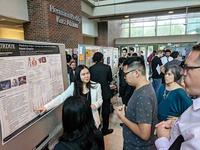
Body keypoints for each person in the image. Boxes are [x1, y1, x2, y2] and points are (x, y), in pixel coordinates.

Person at [155, 44, 200, 149]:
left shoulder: (181, 92)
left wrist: (162, 139)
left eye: (188, 68)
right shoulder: (194, 109)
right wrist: (177, 122)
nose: (184, 73)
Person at [37, 65, 103, 128]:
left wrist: (95, 105)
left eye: (87, 73)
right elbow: (61, 97)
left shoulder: (96, 85)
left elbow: (100, 100)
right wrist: (46, 107)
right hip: (78, 119)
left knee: (92, 137)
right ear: (78, 75)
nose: (86, 76)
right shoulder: (73, 86)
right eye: (83, 74)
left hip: (91, 118)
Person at [115, 57, 158, 150]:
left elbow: (144, 134)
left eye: (125, 74)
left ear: (136, 73)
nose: (124, 77)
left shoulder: (144, 95)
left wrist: (122, 117)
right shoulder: (141, 88)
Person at [89, 52, 113, 136]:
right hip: (105, 91)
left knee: (96, 110)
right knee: (106, 111)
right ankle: (105, 130)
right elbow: (110, 79)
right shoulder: (107, 67)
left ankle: (96, 128)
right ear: (102, 58)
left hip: (94, 92)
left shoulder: (90, 68)